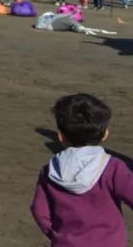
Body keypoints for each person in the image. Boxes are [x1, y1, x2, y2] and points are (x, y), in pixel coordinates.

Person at [31, 93, 133, 247]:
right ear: (105, 134)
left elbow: (40, 211)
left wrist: (58, 235)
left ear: (60, 136)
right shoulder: (113, 167)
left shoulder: (50, 171)